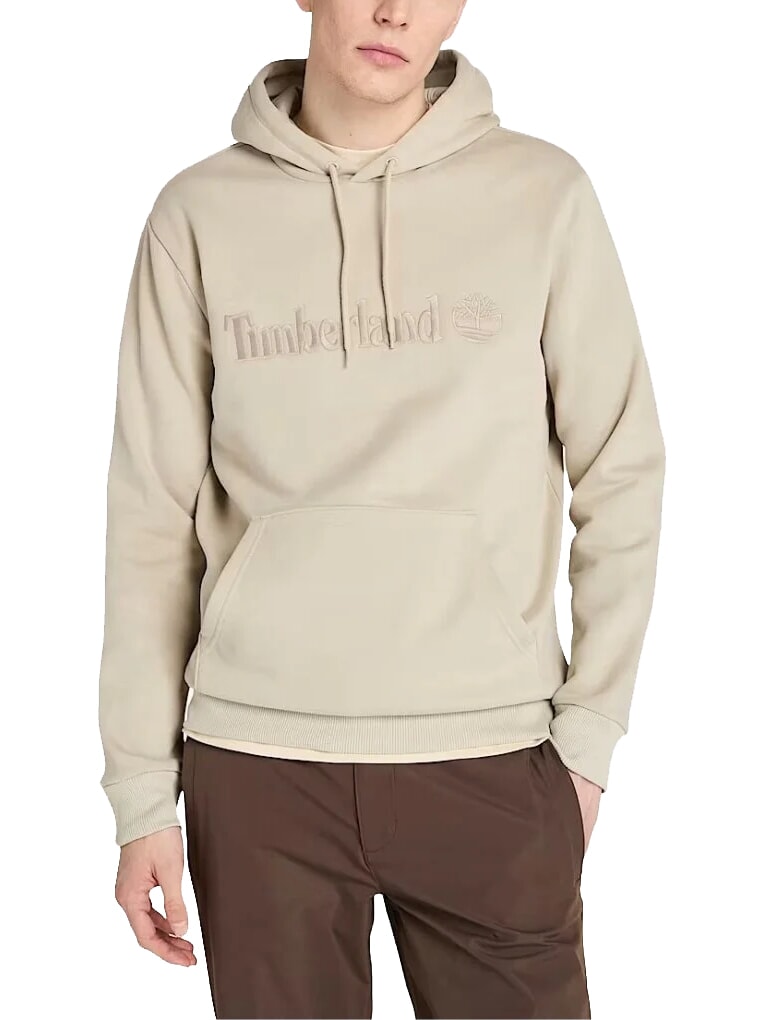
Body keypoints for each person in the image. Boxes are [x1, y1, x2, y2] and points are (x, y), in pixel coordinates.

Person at [97, 1, 666, 1017]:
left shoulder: (543, 196)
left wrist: (588, 737)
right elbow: (151, 515)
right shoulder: (198, 214)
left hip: (491, 754)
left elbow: (622, 465)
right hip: (259, 770)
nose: (396, 9)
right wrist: (141, 794)